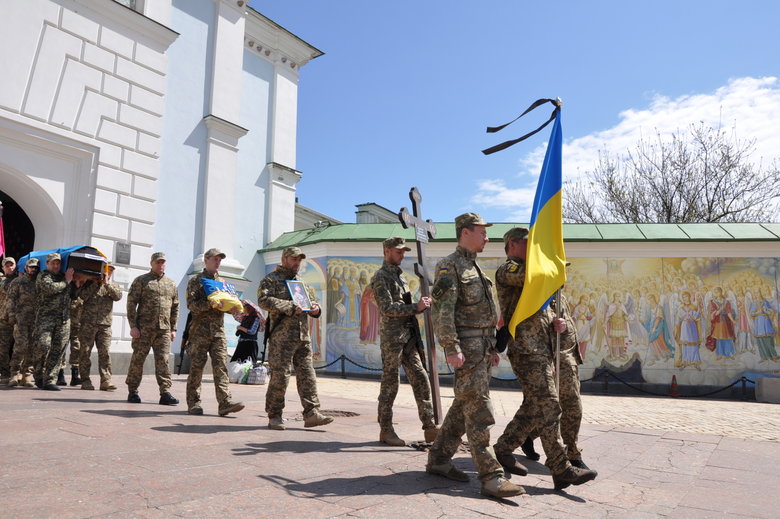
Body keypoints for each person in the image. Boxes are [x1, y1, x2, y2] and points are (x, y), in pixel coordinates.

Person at [425, 213, 524, 499]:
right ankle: (491, 477)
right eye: (482, 232)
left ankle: (439, 459)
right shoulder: (449, 265)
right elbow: (442, 311)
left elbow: (483, 315)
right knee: (479, 410)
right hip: (466, 350)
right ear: (465, 232)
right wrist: (451, 347)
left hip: (481, 348)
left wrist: (492, 348)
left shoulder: (475, 267)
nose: (487, 237)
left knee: (462, 406)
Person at [492, 227, 597, 491]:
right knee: (550, 406)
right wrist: (554, 267)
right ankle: (560, 468)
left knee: (534, 408)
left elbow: (544, 310)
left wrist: (559, 325)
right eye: (530, 244)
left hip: (543, 350)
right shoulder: (508, 270)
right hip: (526, 350)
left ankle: (504, 448)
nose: (534, 250)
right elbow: (534, 277)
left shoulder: (537, 279)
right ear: (513, 245)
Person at [370, 236, 437, 446]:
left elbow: (406, 303)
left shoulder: (401, 276)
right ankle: (386, 430)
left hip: (408, 336)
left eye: (403, 251)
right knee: (390, 384)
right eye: (398, 251)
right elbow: (387, 309)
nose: (402, 254)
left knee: (421, 378)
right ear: (387, 251)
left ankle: (430, 427)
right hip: (392, 338)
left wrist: (421, 305)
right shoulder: (381, 277)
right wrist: (415, 307)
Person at [257, 246, 333, 430]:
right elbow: (263, 300)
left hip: (302, 337)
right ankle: (274, 415)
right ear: (284, 259)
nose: (297, 263)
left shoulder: (301, 283)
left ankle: (311, 413)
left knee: (308, 375)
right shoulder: (271, 280)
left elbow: (312, 303)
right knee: (280, 377)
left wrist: (316, 309)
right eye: (293, 259)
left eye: (299, 260)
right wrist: (289, 306)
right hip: (281, 337)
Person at [185, 248, 244, 416]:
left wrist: (231, 309)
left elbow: (224, 306)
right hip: (200, 331)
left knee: (221, 367)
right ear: (206, 260)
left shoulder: (222, 282)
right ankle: (193, 402)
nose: (217, 262)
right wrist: (208, 305)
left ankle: (225, 402)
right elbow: (191, 305)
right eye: (215, 259)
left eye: (220, 259)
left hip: (218, 331)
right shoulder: (196, 280)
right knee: (197, 368)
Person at [125, 252, 180, 405]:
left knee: (163, 360)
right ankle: (133, 391)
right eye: (157, 262)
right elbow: (131, 304)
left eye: (163, 262)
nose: (160, 265)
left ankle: (165, 392)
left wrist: (173, 328)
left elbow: (175, 307)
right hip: (144, 329)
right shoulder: (141, 281)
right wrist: (133, 326)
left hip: (163, 330)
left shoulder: (171, 283)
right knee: (138, 359)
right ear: (151, 263)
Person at [29, 253, 76, 390]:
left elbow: (75, 295)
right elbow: (51, 289)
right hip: (46, 318)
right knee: (43, 346)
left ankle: (50, 380)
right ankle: (38, 375)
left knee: (58, 350)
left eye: (58, 263)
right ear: (47, 264)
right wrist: (67, 281)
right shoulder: (43, 276)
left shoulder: (65, 277)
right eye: (53, 263)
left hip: (63, 320)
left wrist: (78, 283)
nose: (56, 266)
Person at [77, 265, 122, 390]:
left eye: (110, 271)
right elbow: (82, 296)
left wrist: (106, 283)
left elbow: (118, 296)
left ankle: (106, 380)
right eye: (106, 271)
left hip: (105, 325)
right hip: (88, 324)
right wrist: (94, 283)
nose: (108, 273)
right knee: (85, 352)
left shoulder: (113, 286)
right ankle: (85, 380)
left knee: (105, 353)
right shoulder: (89, 284)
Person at [6, 257, 38, 387]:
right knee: (20, 346)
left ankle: (27, 375)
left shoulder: (39, 283)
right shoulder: (18, 281)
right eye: (31, 267)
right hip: (21, 320)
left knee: (31, 348)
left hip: (35, 321)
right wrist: (11, 315)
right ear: (26, 268)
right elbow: (10, 300)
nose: (33, 269)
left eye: (35, 267)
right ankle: (14, 373)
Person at [0, 257, 18, 384]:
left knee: (18, 347)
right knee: (4, 347)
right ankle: (5, 373)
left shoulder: (21, 280)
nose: (9, 267)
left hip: (18, 319)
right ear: (3, 267)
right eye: (7, 265)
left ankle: (17, 373)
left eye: (12, 265)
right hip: (4, 319)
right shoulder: (1, 281)